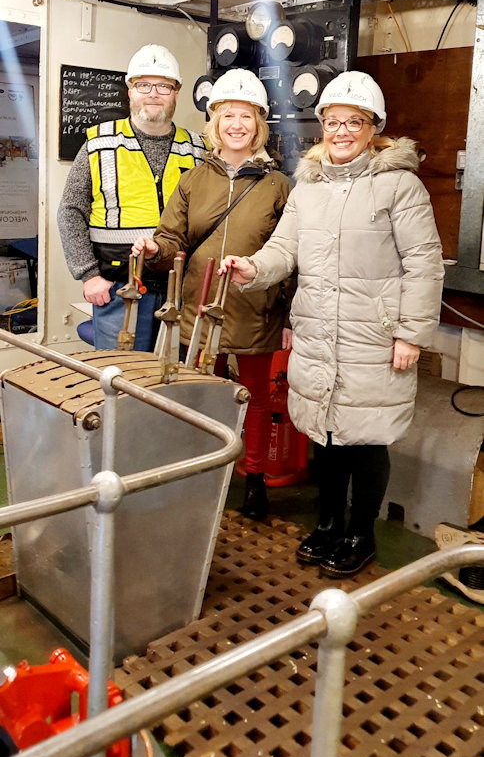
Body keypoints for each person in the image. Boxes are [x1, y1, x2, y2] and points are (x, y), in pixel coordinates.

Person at [219, 70, 444, 577]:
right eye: (333, 121)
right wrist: (253, 269)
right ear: (322, 126)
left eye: (354, 122)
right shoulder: (309, 187)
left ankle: (360, 535)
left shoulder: (399, 186)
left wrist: (411, 333)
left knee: (366, 438)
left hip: (374, 336)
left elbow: (424, 262)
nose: (342, 131)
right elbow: (284, 249)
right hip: (319, 332)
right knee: (325, 433)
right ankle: (326, 524)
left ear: (373, 128)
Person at [131, 68, 292, 521]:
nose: (236, 125)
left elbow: (291, 256)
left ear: (258, 125)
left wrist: (289, 318)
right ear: (215, 122)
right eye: (227, 115)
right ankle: (204, 474)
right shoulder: (191, 180)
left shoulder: (279, 186)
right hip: (197, 314)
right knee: (202, 396)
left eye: (246, 116)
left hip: (255, 311)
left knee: (254, 398)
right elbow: (170, 241)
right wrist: (151, 248)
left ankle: (254, 480)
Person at [58, 44, 206, 350]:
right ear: (130, 92)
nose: (153, 93)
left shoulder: (197, 148)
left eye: (163, 86)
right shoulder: (99, 143)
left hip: (178, 288)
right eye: (143, 85)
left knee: (172, 380)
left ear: (176, 92)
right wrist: (88, 275)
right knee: (121, 379)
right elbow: (70, 211)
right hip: (116, 285)